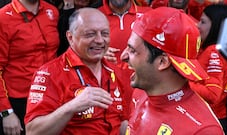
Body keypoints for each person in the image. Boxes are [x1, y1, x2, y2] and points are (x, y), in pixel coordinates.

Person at [24, 8, 131, 135]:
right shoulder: (50, 73)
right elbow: (33, 131)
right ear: (70, 37)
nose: (99, 40)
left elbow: (123, 123)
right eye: (90, 34)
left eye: (105, 34)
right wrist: (72, 107)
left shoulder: (116, 72)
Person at [120, 6, 224, 135]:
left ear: (162, 62)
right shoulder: (140, 93)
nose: (123, 56)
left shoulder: (203, 130)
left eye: (132, 50)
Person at [0, 0, 59, 134]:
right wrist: (6, 112)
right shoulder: (3, 18)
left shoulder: (52, 11)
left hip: (51, 96)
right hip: (18, 101)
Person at [189, 3, 227, 135]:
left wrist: (183, 84)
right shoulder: (226, 50)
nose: (198, 25)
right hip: (215, 119)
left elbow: (213, 94)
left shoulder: (213, 52)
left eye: (203, 22)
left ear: (216, 25)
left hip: (208, 121)